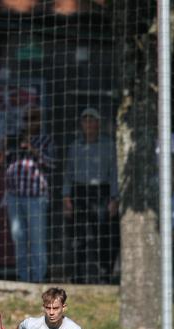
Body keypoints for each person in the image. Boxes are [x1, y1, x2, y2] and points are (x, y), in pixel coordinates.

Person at [62, 108, 119, 283]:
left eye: (92, 120)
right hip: (79, 192)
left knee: (103, 235)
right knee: (79, 236)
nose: (88, 124)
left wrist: (115, 198)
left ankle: (105, 275)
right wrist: (66, 197)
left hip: (101, 192)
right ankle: (77, 276)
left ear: (98, 123)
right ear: (81, 124)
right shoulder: (74, 145)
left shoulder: (109, 145)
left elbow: (114, 173)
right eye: (85, 120)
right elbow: (68, 172)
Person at [0, 106, 53, 283]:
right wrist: (4, 148)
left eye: (33, 118)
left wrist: (32, 148)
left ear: (39, 121)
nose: (29, 122)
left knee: (37, 239)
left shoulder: (45, 140)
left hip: (36, 197)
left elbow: (52, 164)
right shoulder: (14, 140)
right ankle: (23, 277)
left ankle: (39, 278)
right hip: (14, 196)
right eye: (26, 119)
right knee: (19, 239)